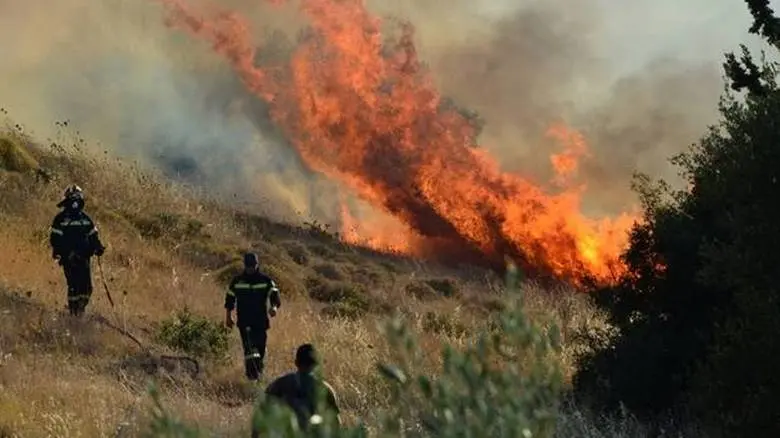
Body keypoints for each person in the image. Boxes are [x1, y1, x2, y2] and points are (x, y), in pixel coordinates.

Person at [49, 184, 106, 317]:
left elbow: (93, 236)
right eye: (72, 199)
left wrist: (98, 247)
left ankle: (80, 309)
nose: (75, 203)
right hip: (68, 258)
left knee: (87, 288)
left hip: (84, 257)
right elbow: (55, 239)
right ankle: (74, 313)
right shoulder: (60, 219)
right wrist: (60, 253)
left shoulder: (85, 219)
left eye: (77, 199)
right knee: (74, 286)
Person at [225, 252, 281, 381]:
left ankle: (258, 374)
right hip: (244, 322)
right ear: (245, 265)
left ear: (257, 265)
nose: (250, 268)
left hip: (260, 321)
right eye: (248, 266)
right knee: (249, 350)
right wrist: (228, 317)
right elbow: (229, 299)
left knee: (260, 348)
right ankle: (252, 377)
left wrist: (274, 307)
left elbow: (275, 296)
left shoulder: (265, 280)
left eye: (253, 265)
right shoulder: (237, 281)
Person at [263, 344, 341, 431]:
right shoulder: (324, 389)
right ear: (316, 365)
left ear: (296, 362)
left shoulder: (280, 384)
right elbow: (335, 423)